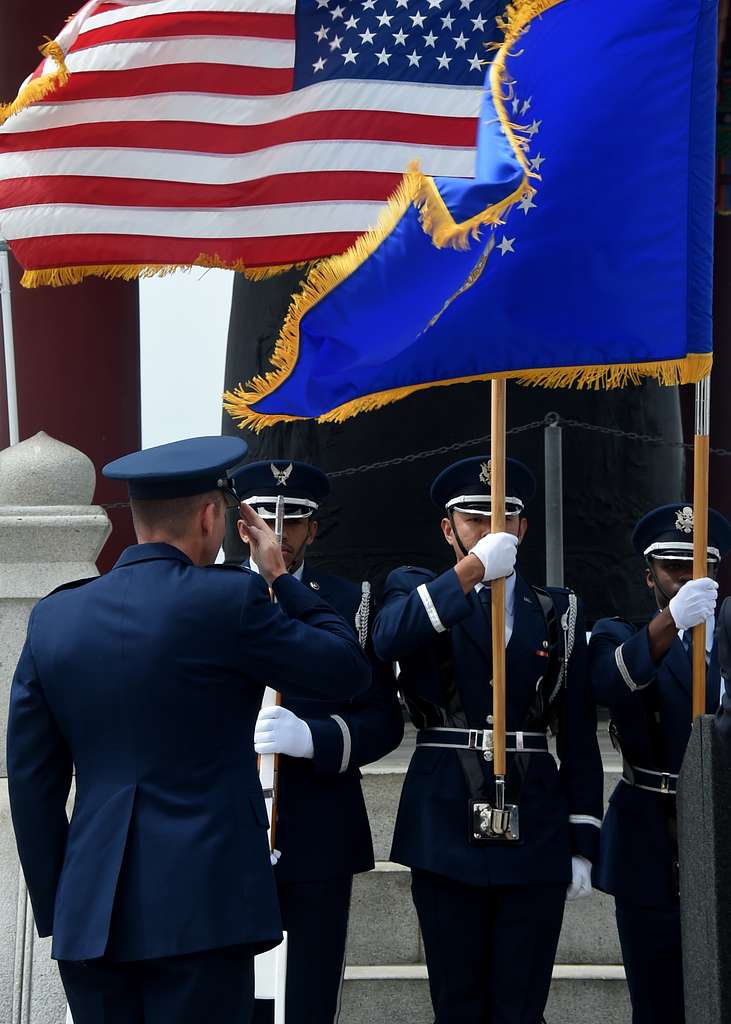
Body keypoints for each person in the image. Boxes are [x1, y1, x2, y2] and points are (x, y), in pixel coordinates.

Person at [6, 435, 371, 1024]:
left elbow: (30, 782)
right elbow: (344, 669)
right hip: (205, 909)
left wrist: (63, 905)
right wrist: (281, 576)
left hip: (90, 914)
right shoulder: (231, 600)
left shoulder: (55, 617)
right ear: (211, 516)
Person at [371, 455, 603, 1024]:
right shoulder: (416, 590)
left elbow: (575, 732)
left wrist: (582, 840)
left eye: (504, 517)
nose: (491, 528)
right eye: (475, 518)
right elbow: (387, 640)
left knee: (522, 1006)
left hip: (535, 823)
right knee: (457, 1002)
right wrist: (472, 571)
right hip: (446, 819)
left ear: (523, 529)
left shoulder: (555, 609)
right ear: (448, 529)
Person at [232, 459, 404, 1024]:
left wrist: (317, 739)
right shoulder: (210, 593)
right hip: (226, 823)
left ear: (313, 529)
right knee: (229, 995)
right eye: (268, 521)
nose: (281, 535)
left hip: (318, 822)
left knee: (309, 991)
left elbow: (383, 719)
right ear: (242, 527)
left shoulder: (348, 603)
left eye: (296, 521)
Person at [589, 503, 731, 1024]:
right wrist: (671, 623)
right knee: (658, 1001)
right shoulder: (617, 632)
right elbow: (608, 685)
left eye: (702, 565)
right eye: (674, 565)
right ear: (649, 574)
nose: (689, 577)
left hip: (721, 824)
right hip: (652, 832)